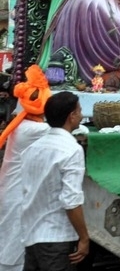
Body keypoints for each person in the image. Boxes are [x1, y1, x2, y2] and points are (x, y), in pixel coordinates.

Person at [19, 91, 88, 271]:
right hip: (56, 238)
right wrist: (84, 237)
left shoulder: (33, 148)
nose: (81, 115)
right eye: (79, 111)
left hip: (32, 234)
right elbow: (71, 201)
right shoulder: (71, 150)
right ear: (71, 116)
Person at [0, 65, 52, 271]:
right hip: (15, 193)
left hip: (11, 188)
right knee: (12, 240)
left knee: (9, 235)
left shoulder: (22, 124)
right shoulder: (33, 129)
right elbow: (62, 131)